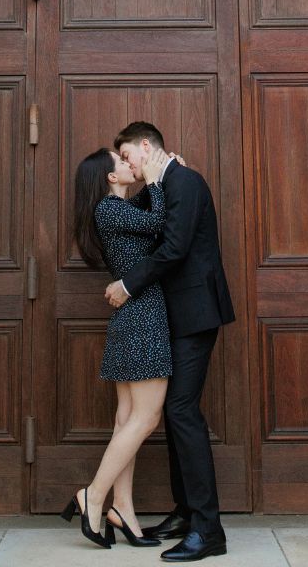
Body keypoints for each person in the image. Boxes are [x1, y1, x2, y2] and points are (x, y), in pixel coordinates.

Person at [106, 121, 234, 563]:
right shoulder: (165, 182)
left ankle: (208, 528)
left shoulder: (187, 181)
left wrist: (128, 285)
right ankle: (185, 512)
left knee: (180, 410)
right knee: (173, 412)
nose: (126, 165)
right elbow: (148, 220)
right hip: (174, 317)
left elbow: (175, 246)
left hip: (196, 314)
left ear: (146, 147)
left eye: (127, 156)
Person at [63, 144, 173, 549]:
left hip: (135, 314)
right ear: (111, 177)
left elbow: (146, 207)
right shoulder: (109, 209)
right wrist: (158, 179)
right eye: (122, 162)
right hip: (142, 315)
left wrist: (157, 172)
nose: (130, 164)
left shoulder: (119, 208)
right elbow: (159, 223)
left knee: (128, 417)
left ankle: (122, 506)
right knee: (146, 418)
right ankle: (93, 495)